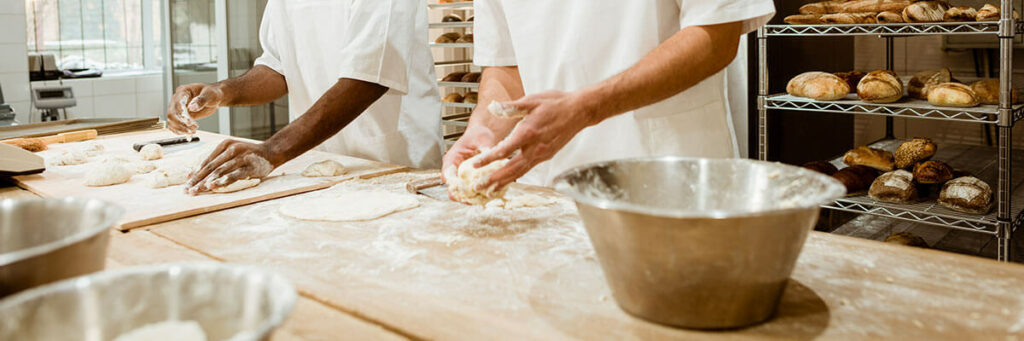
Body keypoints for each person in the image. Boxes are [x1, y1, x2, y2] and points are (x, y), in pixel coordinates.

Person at [443, 1, 776, 196]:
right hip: (547, 189)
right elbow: (506, 61)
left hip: (665, 180)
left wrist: (587, 107)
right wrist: (483, 130)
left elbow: (715, 36)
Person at [167, 0, 441, 194]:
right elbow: (278, 67)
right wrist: (221, 91)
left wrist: (272, 151)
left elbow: (368, 79)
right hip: (317, 159)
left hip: (395, 162)